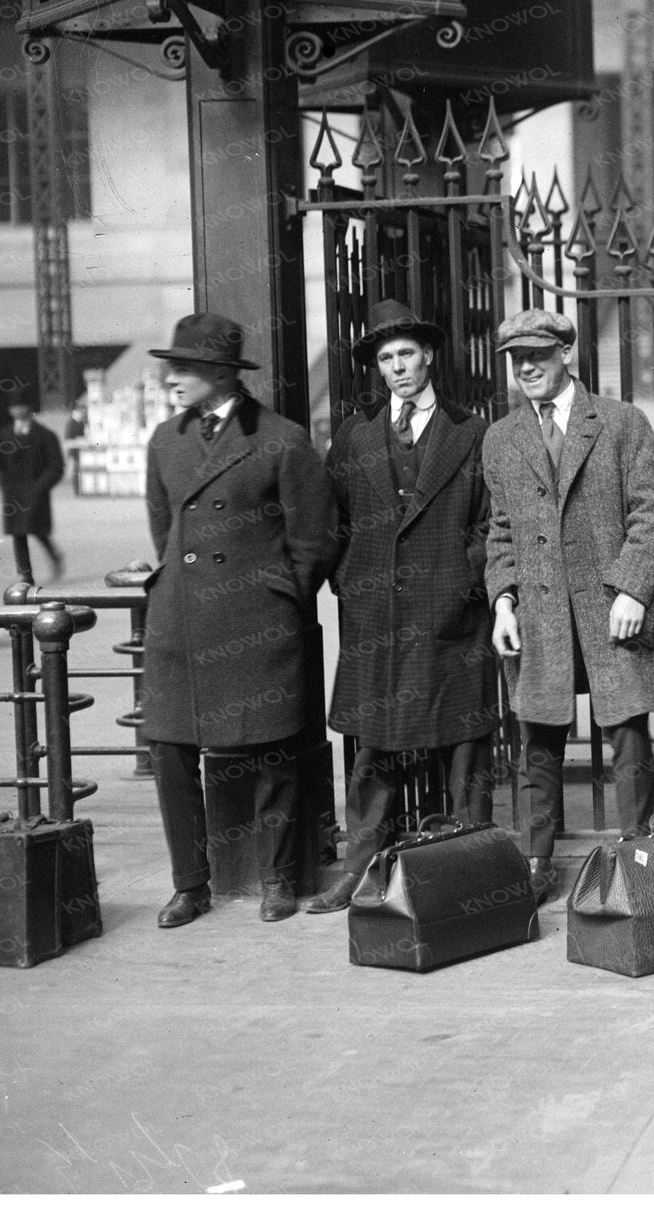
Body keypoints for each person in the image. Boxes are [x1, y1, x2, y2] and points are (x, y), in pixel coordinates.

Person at [139, 313, 342, 927]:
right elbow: (162, 524)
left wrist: (279, 594)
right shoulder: (165, 440)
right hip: (179, 619)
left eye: (187, 368)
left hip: (255, 618)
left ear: (224, 374)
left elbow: (316, 535)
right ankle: (189, 884)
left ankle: (278, 878)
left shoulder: (280, 438)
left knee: (272, 752)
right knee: (170, 750)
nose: (172, 379)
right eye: (171, 366)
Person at [305, 301, 500, 914]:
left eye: (407, 354)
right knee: (375, 751)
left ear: (429, 356)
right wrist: (350, 581)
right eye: (386, 359)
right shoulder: (356, 435)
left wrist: (463, 582)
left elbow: (492, 521)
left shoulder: (471, 432)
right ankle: (359, 870)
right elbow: (328, 518)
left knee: (465, 747)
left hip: (452, 616)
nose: (397, 368)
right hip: (377, 620)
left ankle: (474, 869)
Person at [484, 308, 654, 904]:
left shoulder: (620, 422)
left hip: (611, 607)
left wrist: (632, 589)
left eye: (539, 354)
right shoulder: (502, 437)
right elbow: (500, 533)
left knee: (628, 730)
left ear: (568, 352)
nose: (528, 367)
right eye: (517, 359)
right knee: (537, 736)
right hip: (539, 613)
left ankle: (635, 853)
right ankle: (538, 860)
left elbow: (652, 511)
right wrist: (503, 601)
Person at [0, 399, 66, 584]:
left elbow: (57, 466)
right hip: (13, 492)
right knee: (18, 532)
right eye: (13, 406)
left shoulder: (45, 435)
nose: (17, 410)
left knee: (36, 528)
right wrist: (5, 486)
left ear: (29, 407)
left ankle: (53, 554)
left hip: (36, 489)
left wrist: (40, 487)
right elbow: (1, 465)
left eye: (21, 405)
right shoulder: (4, 434)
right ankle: (25, 573)